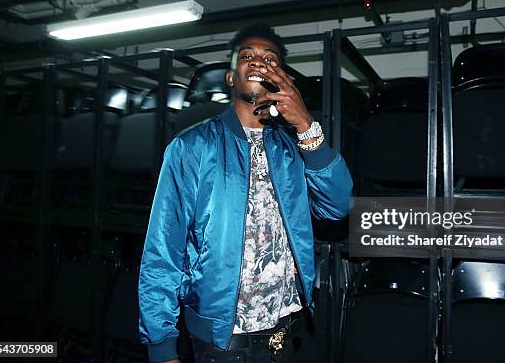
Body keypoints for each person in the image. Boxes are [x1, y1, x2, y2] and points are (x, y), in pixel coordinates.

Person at [138, 23, 352, 363]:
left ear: (282, 79)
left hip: (289, 329)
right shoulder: (192, 147)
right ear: (230, 78)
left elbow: (336, 207)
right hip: (224, 341)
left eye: (270, 58)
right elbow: (163, 248)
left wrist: (306, 127)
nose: (258, 62)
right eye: (247, 56)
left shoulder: (293, 147)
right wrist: (161, 344)